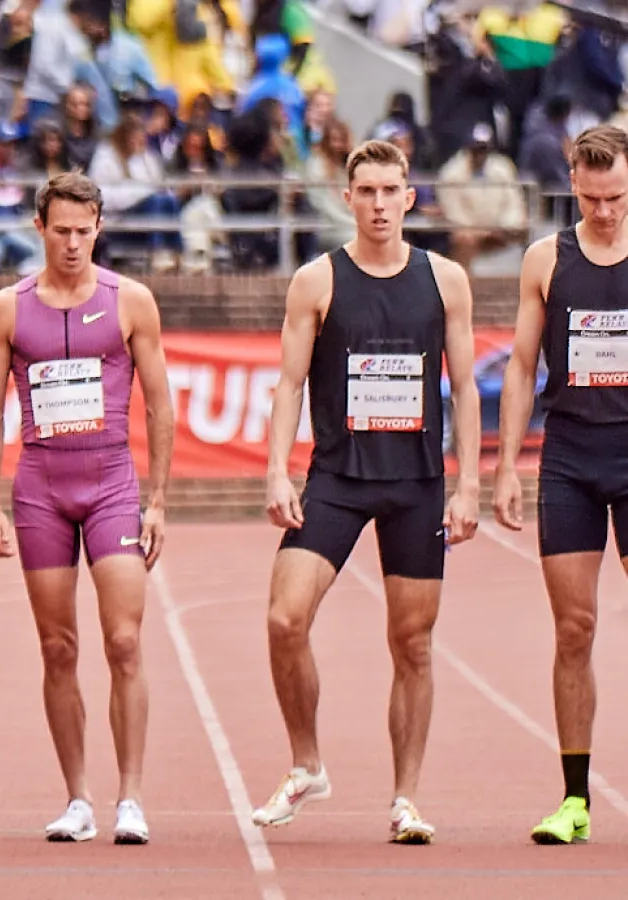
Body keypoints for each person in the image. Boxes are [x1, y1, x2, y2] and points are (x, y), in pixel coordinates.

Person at [253, 138, 481, 844]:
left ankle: (405, 799)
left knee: (412, 642)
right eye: (367, 192)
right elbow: (289, 382)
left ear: (410, 197)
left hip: (416, 482)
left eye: (391, 191)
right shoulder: (317, 281)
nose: (380, 204)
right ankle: (306, 764)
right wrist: (275, 469)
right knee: (285, 619)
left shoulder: (445, 279)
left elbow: (468, 388)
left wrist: (469, 483)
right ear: (347, 198)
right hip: (338, 477)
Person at [0, 172, 175, 845]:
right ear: (40, 227)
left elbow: (160, 401)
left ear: (98, 229)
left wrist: (159, 500)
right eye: (60, 231)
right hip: (41, 489)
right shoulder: (8, 308)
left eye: (83, 232)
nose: (71, 243)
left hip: (113, 482)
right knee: (58, 647)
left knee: (123, 640)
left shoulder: (131, 301)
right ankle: (79, 798)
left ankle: (133, 798)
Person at [493, 124, 628, 846]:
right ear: (572, 182)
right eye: (594, 197)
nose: (606, 212)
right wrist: (507, 465)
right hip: (571, 456)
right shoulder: (547, 258)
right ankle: (574, 801)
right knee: (574, 629)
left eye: (619, 198)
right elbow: (519, 367)